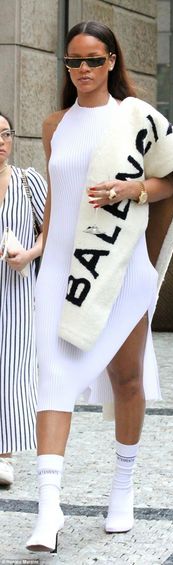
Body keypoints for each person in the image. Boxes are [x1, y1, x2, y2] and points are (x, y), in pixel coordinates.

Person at [26, 20, 173, 553]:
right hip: (63, 268)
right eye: (73, 62)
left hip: (119, 269)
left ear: (110, 62)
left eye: (91, 60)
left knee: (127, 379)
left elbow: (171, 180)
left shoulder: (137, 118)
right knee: (53, 377)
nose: (81, 70)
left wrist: (132, 187)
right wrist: (38, 249)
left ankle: (122, 487)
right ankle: (48, 507)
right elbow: (58, 199)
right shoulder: (55, 124)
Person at [0, 112, 47, 486]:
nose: (1, 141)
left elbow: (54, 228)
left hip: (16, 290)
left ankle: (4, 454)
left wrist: (29, 254)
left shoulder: (28, 183)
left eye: (6, 134)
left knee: (14, 367)